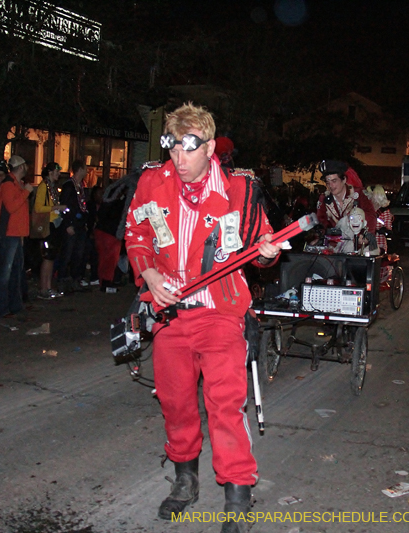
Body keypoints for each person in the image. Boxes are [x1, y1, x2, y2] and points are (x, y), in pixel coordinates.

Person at [125, 102, 280, 532]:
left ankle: (237, 495)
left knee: (225, 405)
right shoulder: (153, 181)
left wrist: (267, 252)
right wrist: (149, 272)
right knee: (175, 402)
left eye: (188, 150)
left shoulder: (240, 188)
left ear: (209, 147)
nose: (179, 160)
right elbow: (136, 232)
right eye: (172, 149)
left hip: (220, 312)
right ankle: (185, 480)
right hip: (171, 314)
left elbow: (263, 241)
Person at [0, 154, 34, 317]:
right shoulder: (9, 185)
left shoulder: (14, 184)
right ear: (21, 167)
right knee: (5, 272)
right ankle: (2, 308)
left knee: (14, 271)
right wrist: (26, 193)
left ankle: (13, 305)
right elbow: (12, 207)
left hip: (14, 234)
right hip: (9, 234)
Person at [315, 159, 376, 245]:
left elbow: (371, 216)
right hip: (334, 247)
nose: (330, 186)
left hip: (358, 245)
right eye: (327, 182)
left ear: (343, 180)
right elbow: (321, 221)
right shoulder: (324, 198)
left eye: (334, 181)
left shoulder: (359, 194)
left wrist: (365, 236)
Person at [34, 162, 66, 299]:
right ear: (50, 172)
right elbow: (38, 208)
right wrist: (55, 208)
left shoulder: (52, 187)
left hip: (54, 224)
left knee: (51, 257)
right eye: (57, 171)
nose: (59, 173)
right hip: (48, 225)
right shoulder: (43, 187)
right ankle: (44, 288)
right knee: (47, 257)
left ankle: (48, 287)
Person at [58, 160, 89, 291]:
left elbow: (82, 206)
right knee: (67, 253)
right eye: (85, 168)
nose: (87, 171)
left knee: (79, 253)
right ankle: (61, 280)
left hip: (80, 225)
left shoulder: (81, 186)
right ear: (80, 169)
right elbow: (64, 206)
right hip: (71, 224)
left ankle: (75, 279)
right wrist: (67, 224)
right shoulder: (69, 186)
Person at [364, 184, 393, 255]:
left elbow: (388, 229)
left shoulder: (384, 212)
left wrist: (383, 230)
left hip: (380, 242)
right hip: (367, 241)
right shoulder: (368, 210)